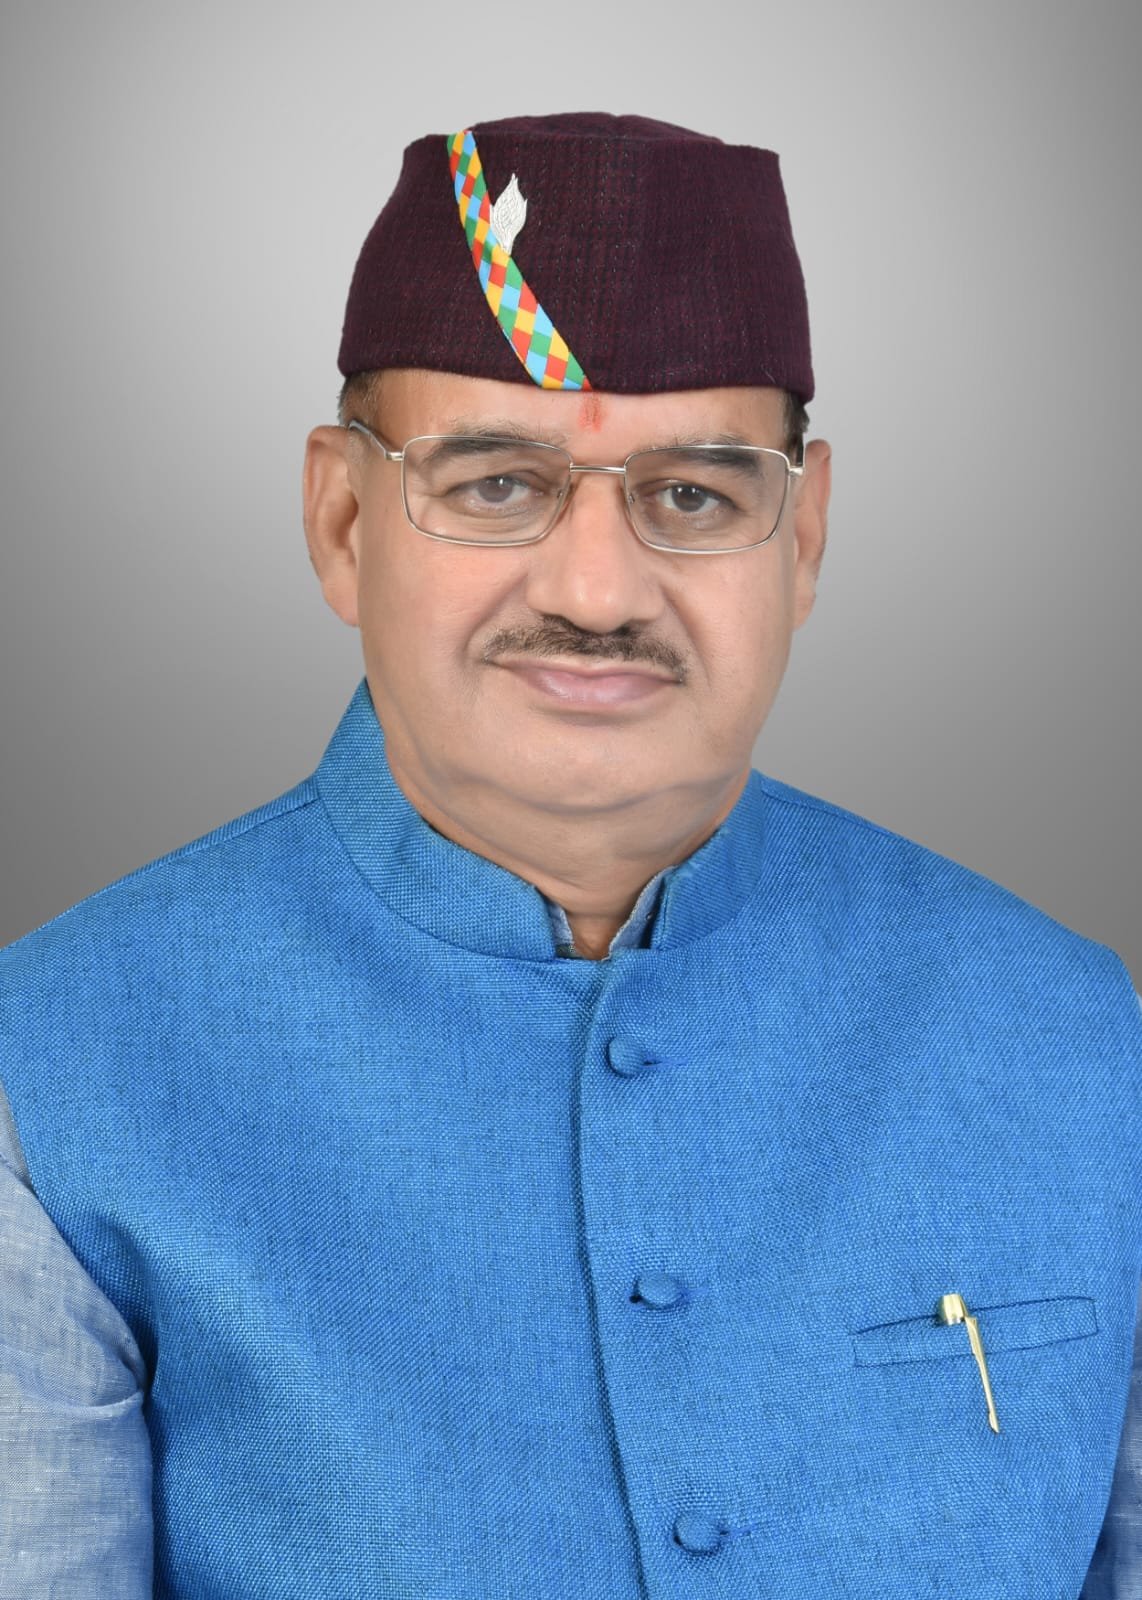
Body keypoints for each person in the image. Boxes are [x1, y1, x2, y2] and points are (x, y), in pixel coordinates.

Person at [0, 113, 1138, 1599]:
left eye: (693, 495)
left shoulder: (1083, 1043)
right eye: (494, 483)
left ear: (800, 543)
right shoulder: (54, 1075)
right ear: (342, 522)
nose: (598, 591)